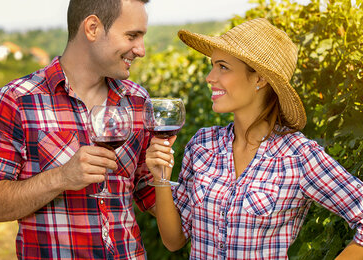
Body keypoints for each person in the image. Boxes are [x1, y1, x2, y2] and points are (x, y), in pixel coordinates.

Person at [0, 0, 156, 259]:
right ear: (93, 28)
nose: (141, 50)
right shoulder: (17, 100)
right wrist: (61, 178)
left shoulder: (137, 101)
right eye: (132, 35)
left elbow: (147, 188)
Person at [145, 18, 363, 259]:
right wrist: (161, 176)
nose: (210, 77)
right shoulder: (202, 145)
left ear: (259, 78)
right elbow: (174, 240)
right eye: (212, 66)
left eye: (223, 67)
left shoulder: (298, 156)